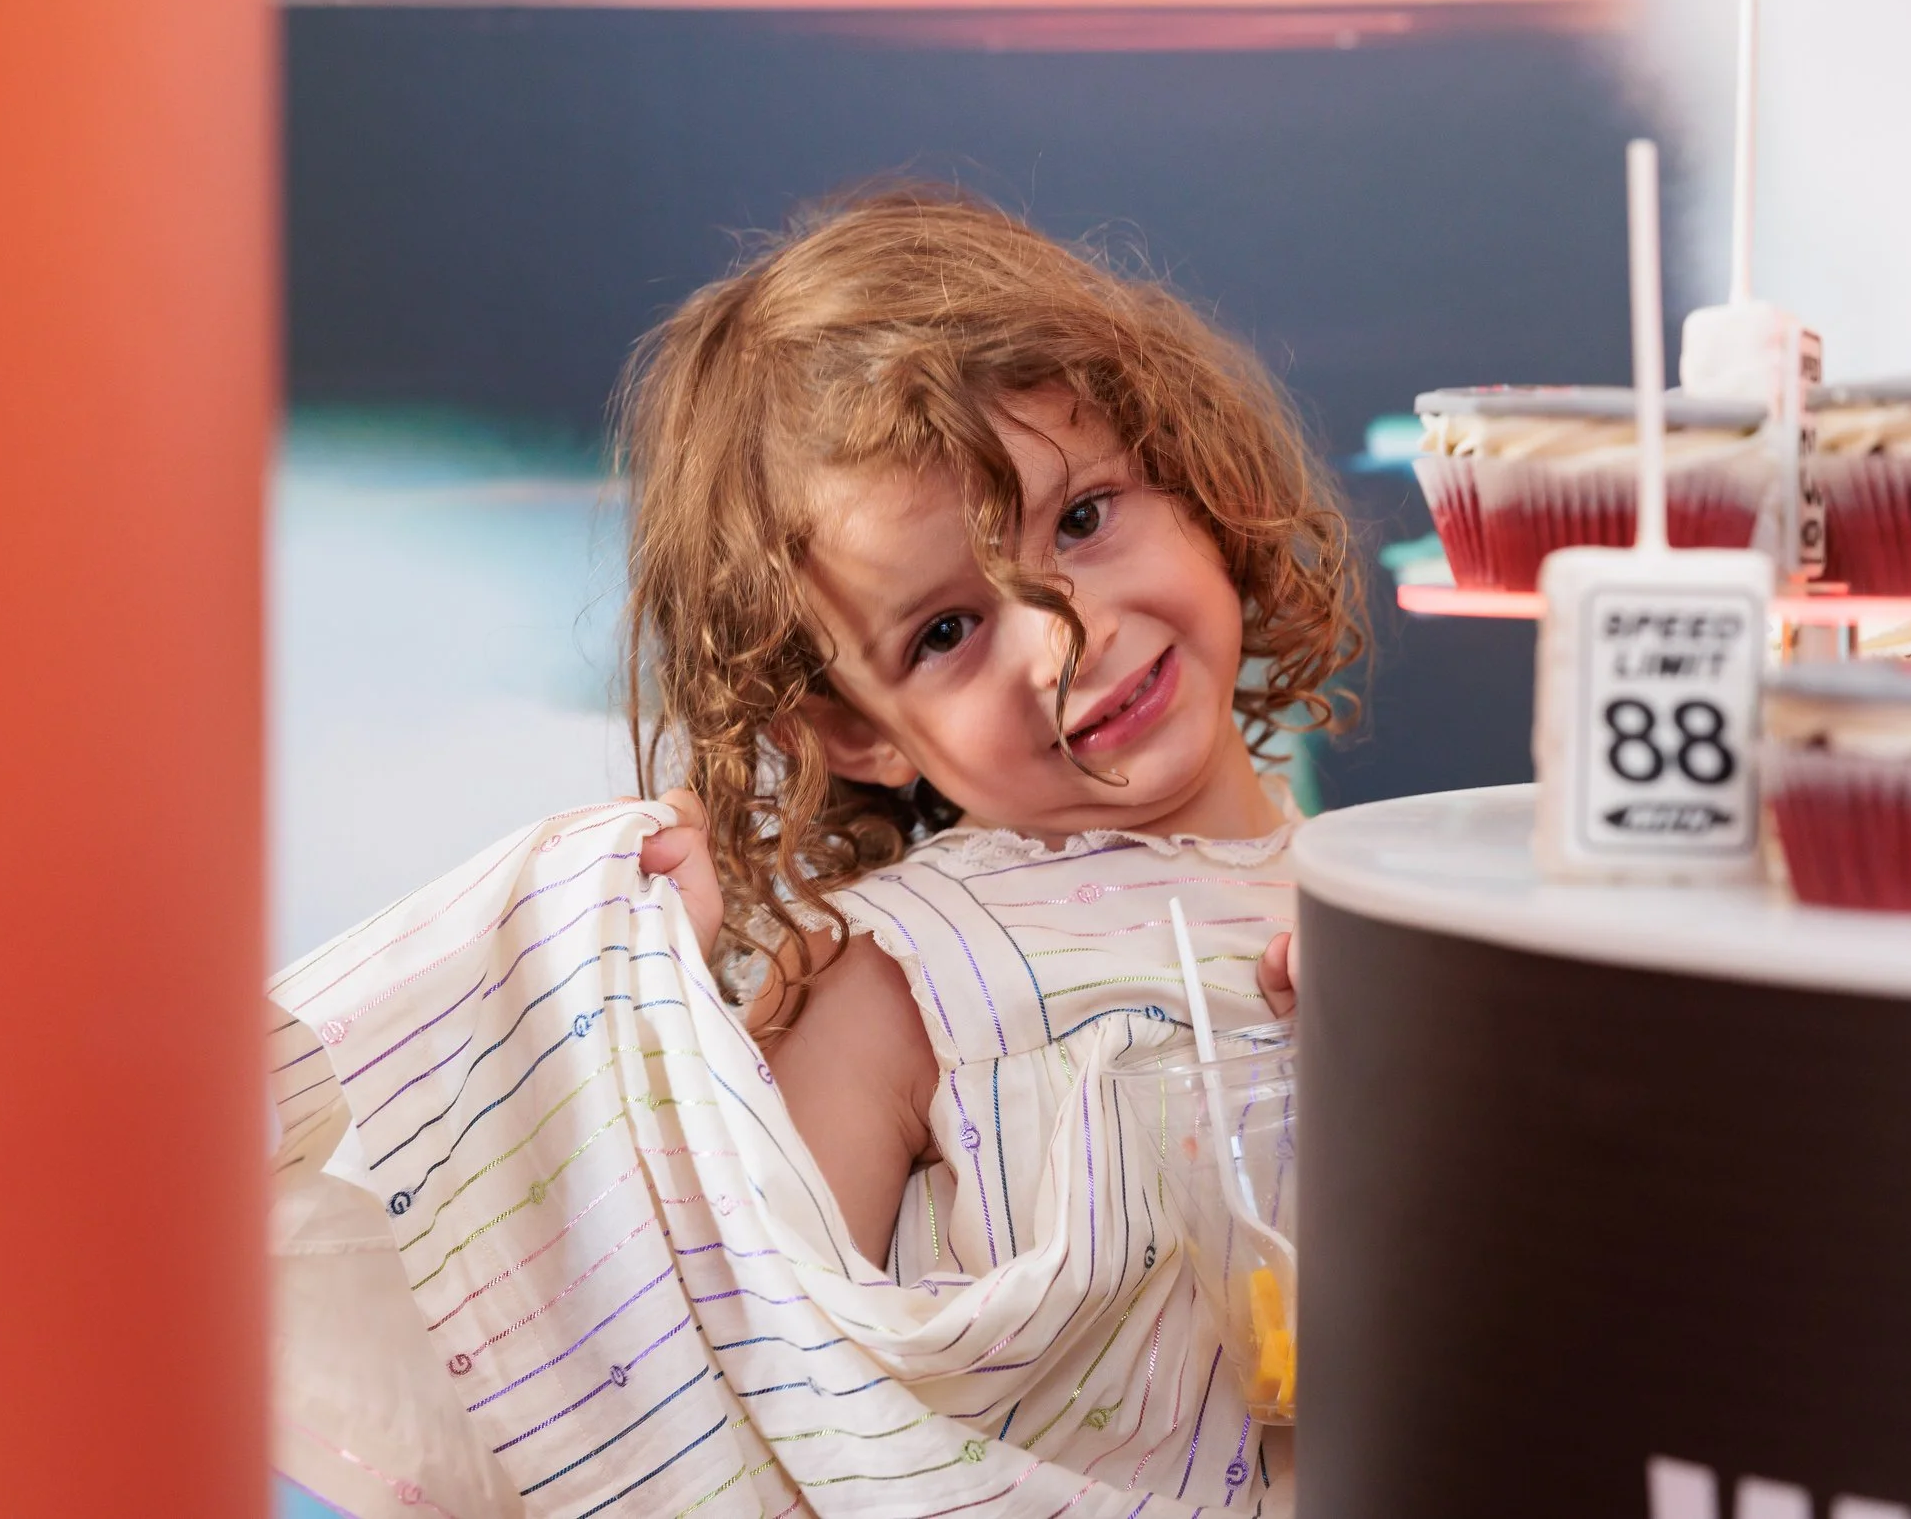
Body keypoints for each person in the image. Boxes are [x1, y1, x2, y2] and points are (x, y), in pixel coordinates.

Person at [266, 189, 1362, 1519]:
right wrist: (679, 1068)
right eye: (948, 632)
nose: (1064, 636)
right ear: (853, 728)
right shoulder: (900, 982)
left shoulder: (1404, 905)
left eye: (1080, 518)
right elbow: (741, 1369)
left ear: (1188, 476)